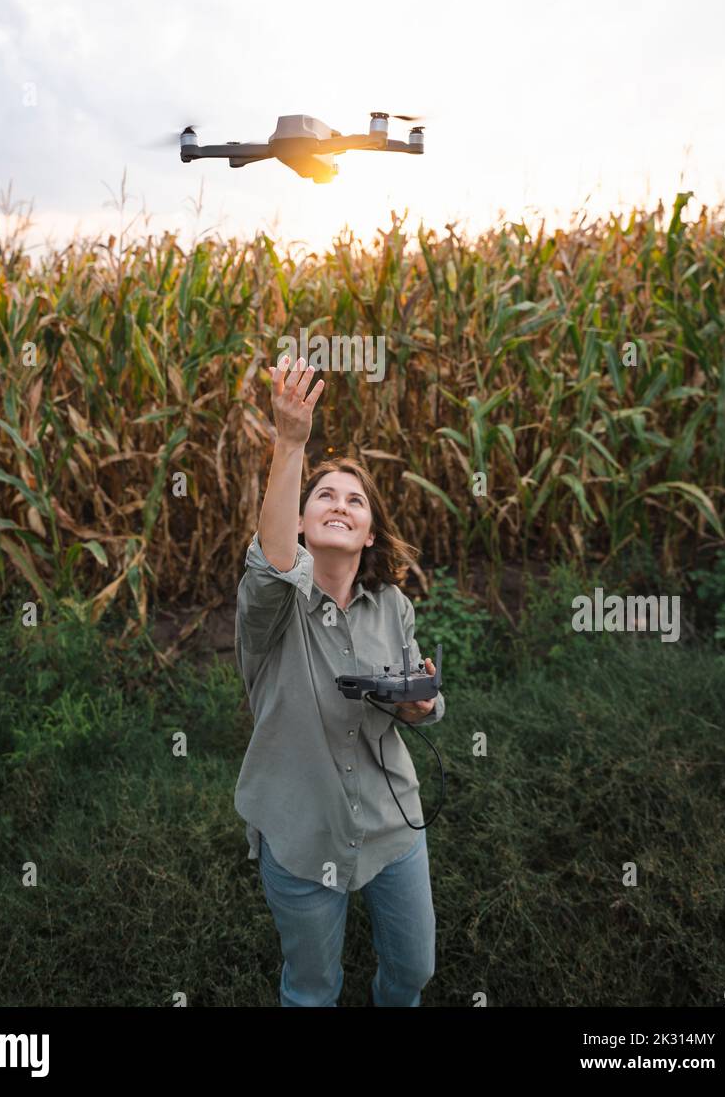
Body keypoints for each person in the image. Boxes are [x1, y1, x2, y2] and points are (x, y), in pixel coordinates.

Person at [233, 354, 446, 1007]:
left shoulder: (393, 607)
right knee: (312, 990)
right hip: (301, 833)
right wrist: (290, 441)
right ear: (299, 523)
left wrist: (420, 705)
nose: (339, 505)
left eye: (353, 500)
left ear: (367, 532)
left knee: (412, 974)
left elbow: (422, 699)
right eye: (323, 495)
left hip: (392, 825)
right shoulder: (274, 606)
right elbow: (272, 565)